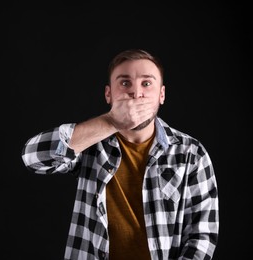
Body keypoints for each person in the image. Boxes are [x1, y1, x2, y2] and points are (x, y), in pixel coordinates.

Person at [21, 49, 219, 260]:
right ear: (109, 94)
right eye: (125, 83)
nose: (136, 93)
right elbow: (32, 157)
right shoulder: (90, 143)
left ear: (162, 95)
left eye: (146, 83)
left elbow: (202, 236)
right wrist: (112, 121)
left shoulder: (191, 152)